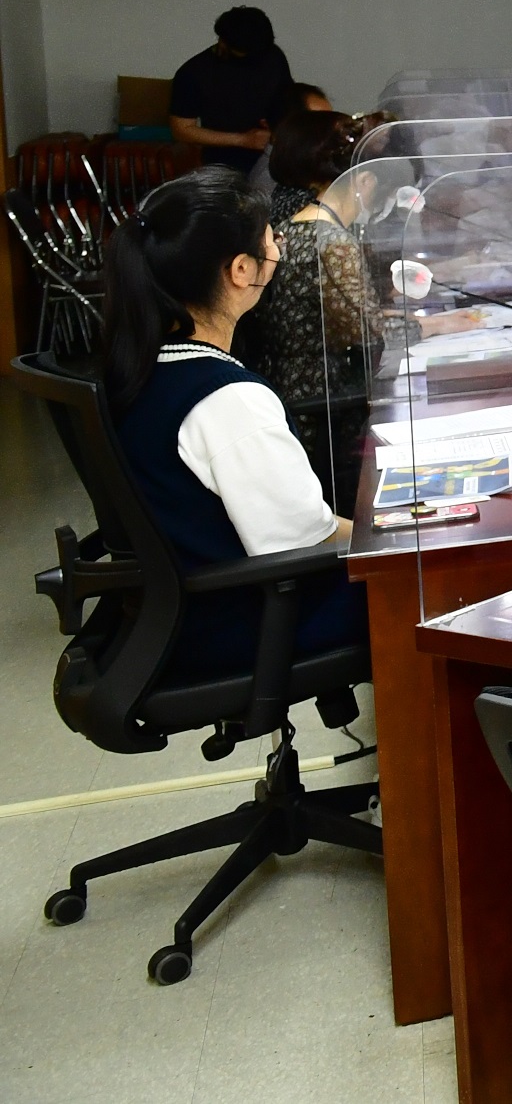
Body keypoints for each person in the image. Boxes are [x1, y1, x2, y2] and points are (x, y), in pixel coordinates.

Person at [105, 168, 362, 680]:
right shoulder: (228, 399)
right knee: (434, 582)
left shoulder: (147, 368)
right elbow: (305, 540)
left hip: (183, 620)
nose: (279, 246)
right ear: (242, 270)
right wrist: (400, 538)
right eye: (272, 238)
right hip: (244, 624)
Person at [243, 108, 376, 512]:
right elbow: (365, 334)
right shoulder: (332, 241)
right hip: (324, 406)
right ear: (361, 181)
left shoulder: (290, 227)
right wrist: (434, 326)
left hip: (287, 388)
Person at [169, 7, 296, 171]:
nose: (255, 59)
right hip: (225, 160)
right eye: (246, 54)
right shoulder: (194, 72)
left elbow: (290, 98)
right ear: (223, 42)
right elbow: (182, 129)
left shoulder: (273, 55)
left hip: (276, 151)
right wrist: (243, 140)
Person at [247, 83, 337, 200]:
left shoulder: (303, 163)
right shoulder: (271, 180)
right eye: (321, 123)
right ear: (292, 127)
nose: (332, 129)